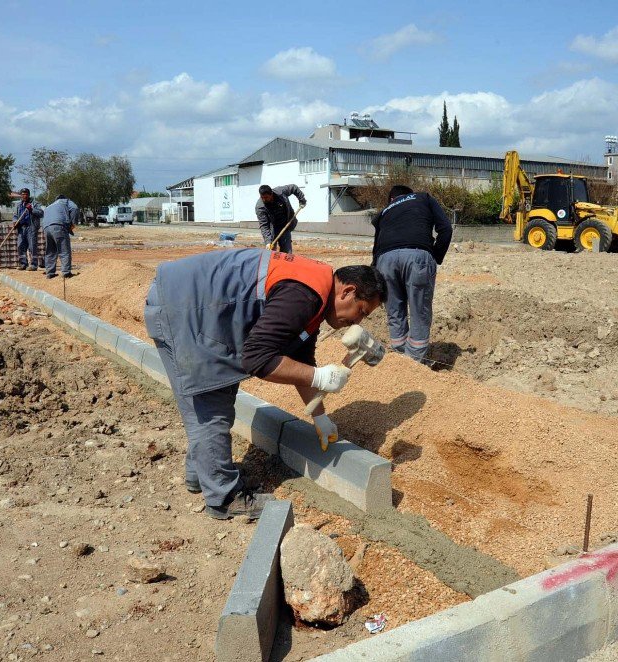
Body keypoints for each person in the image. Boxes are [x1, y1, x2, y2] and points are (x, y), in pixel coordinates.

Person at [145, 249, 387, 521]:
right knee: (212, 403)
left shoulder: (314, 292)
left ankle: (201, 476)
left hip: (189, 300)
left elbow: (300, 359)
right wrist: (320, 377)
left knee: (210, 398)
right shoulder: (304, 294)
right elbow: (257, 360)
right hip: (184, 308)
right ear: (348, 291)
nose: (356, 322)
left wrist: (320, 417)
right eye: (361, 312)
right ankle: (223, 498)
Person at [371, 185, 452, 364]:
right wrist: (435, 256)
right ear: (410, 194)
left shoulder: (384, 212)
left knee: (394, 311)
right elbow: (446, 228)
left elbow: (376, 249)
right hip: (416, 256)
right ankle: (413, 364)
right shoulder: (423, 198)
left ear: (391, 199)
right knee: (419, 312)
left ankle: (401, 360)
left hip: (385, 260)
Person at [256, 184, 306, 254]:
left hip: (285, 226)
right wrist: (268, 242)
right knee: (271, 252)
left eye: (266, 197)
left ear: (271, 194)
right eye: (262, 197)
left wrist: (301, 199)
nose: (264, 199)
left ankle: (286, 264)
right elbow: (264, 226)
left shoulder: (280, 192)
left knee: (287, 252)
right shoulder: (260, 207)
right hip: (272, 229)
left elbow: (293, 187)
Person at [42, 194, 79, 279]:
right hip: (58, 225)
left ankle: (50, 273)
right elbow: (75, 208)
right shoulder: (65, 201)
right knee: (64, 250)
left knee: (50, 251)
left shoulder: (49, 206)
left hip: (46, 228)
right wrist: (72, 223)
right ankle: (66, 272)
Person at [12, 188, 44, 271]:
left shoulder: (34, 203)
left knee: (32, 246)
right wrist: (15, 222)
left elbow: (41, 213)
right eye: (23, 194)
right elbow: (15, 215)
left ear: (29, 195)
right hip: (21, 228)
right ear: (21, 195)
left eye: (26, 194)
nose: (24, 195)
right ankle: (23, 264)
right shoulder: (18, 205)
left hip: (31, 227)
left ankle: (33, 265)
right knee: (20, 246)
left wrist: (31, 210)